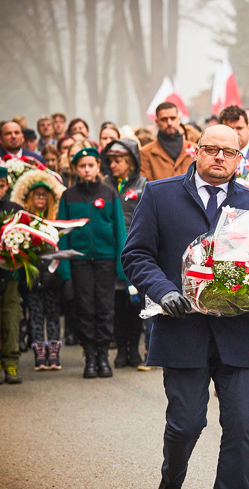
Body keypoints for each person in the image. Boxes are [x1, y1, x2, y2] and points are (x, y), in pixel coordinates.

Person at [122, 124, 249, 489]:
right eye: (211, 149)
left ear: (241, 157)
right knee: (187, 423)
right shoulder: (161, 194)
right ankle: (172, 476)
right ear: (197, 151)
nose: (220, 157)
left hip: (238, 334)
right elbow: (135, 255)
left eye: (229, 151)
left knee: (240, 427)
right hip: (181, 330)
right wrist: (164, 290)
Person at [56, 147, 126, 379]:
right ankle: (90, 356)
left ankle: (103, 355)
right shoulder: (69, 195)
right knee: (84, 307)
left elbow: (119, 230)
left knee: (105, 307)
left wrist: (121, 264)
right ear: (76, 169)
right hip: (80, 260)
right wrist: (65, 269)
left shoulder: (109, 193)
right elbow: (62, 235)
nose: (87, 169)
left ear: (98, 167)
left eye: (91, 165)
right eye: (82, 166)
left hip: (105, 259)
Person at [11, 170, 65, 371]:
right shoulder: (23, 221)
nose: (40, 198)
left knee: (52, 315)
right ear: (30, 198)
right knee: (35, 314)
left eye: (44, 195)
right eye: (36, 194)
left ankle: (53, 354)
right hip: (32, 276)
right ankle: (39, 355)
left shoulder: (56, 220)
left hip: (52, 276)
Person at [103, 139, 148, 369]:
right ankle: (121, 349)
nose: (113, 165)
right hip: (112, 251)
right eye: (110, 161)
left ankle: (134, 348)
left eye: (118, 161)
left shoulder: (142, 184)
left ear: (130, 162)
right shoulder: (105, 184)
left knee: (136, 303)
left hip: (135, 250)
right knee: (118, 303)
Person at [0, 166, 23, 385]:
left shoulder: (16, 210)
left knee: (11, 317)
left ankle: (11, 362)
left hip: (11, 274)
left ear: (7, 186)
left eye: (1, 186)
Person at [140, 102, 194, 182]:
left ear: (178, 120)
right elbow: (147, 187)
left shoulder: (195, 149)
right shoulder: (146, 153)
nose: (169, 123)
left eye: (172, 118)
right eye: (164, 119)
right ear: (157, 122)